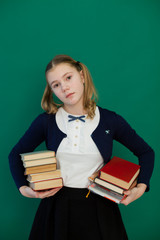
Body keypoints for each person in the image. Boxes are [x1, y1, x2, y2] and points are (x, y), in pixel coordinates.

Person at [8, 54, 155, 240]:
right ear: (53, 91)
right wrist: (24, 188)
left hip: (101, 209)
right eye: (56, 85)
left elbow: (146, 152)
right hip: (56, 209)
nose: (64, 87)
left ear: (82, 76)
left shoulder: (111, 120)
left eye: (68, 78)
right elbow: (14, 155)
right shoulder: (46, 122)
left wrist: (140, 188)